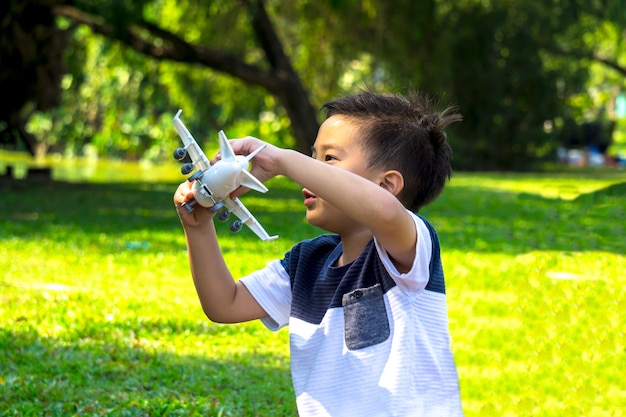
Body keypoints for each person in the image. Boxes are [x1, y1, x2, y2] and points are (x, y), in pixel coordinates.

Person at [174, 90, 464, 416]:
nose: (310, 171)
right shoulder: (306, 263)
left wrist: (284, 160)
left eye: (328, 159)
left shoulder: (407, 251)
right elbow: (224, 304)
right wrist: (198, 227)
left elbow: (383, 213)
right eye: (311, 157)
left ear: (386, 186)